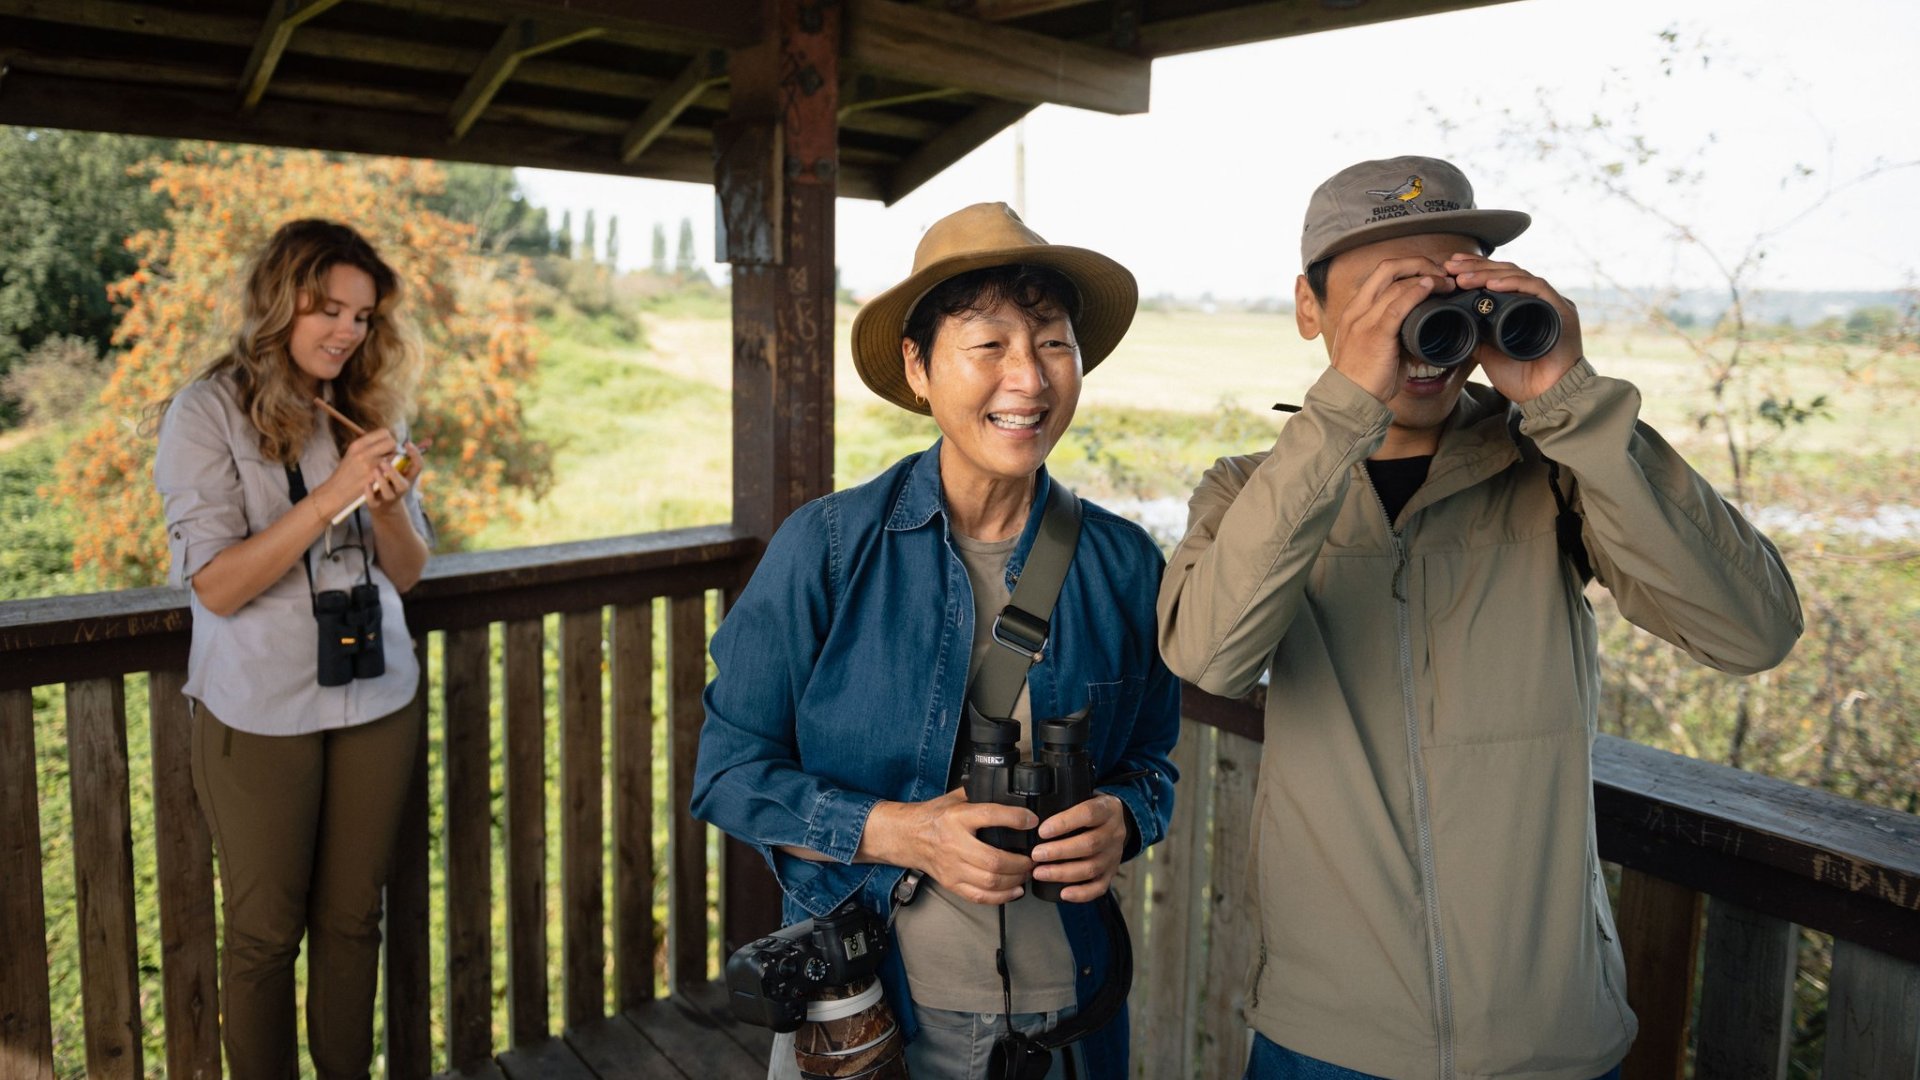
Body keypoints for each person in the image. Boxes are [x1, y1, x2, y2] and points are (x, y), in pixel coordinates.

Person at [1156, 157, 1803, 1080]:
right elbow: (1211, 657)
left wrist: (1568, 401)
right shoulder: (1248, 489)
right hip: (1329, 1035)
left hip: (1551, 1034)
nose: (1424, 328)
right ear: (1309, 308)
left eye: (1453, 289)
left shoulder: (1555, 470)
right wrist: (1344, 410)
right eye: (1389, 294)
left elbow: (1755, 632)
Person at [692, 202, 1180, 1080]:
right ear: (918, 368)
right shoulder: (830, 547)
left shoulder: (1123, 562)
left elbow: (1153, 763)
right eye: (988, 345)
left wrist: (1126, 817)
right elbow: (728, 774)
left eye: (1054, 345)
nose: (1027, 379)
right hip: (876, 1017)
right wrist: (900, 832)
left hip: (1077, 1016)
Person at [153, 219, 432, 1079]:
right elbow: (218, 586)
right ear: (281, 302)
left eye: (362, 315)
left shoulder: (363, 408)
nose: (348, 331)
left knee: (355, 922)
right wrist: (332, 498)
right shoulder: (205, 412)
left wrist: (385, 504)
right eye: (329, 309)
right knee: (267, 935)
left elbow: (410, 574)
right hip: (259, 705)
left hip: (376, 693)